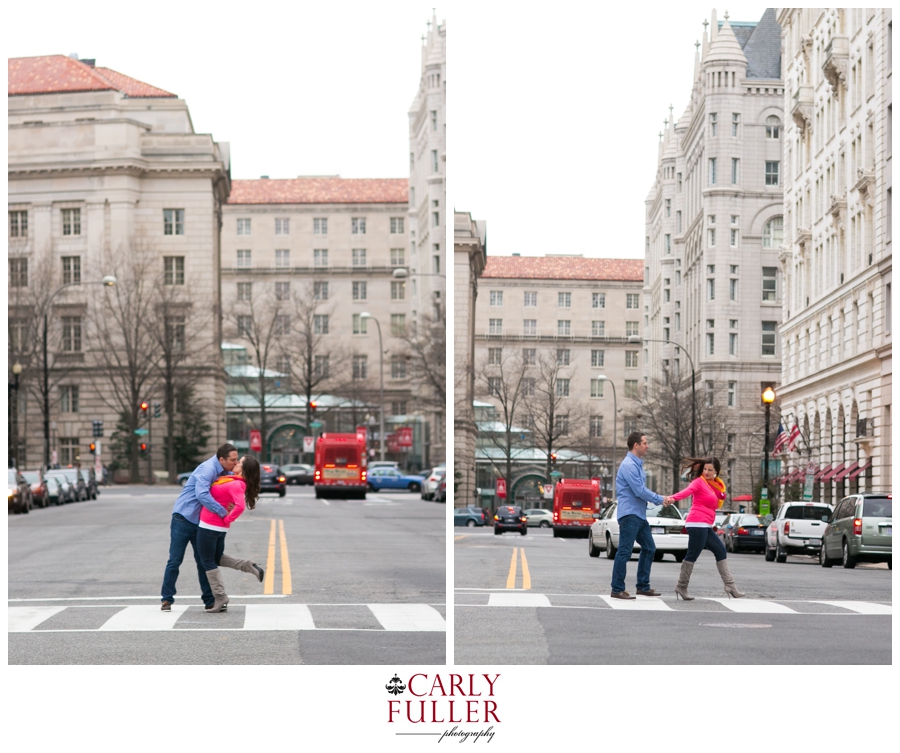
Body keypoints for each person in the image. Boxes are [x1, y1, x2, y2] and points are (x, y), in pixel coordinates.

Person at [160, 443, 238, 612]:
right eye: (233, 460)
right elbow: (201, 494)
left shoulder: (224, 471)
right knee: (175, 560)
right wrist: (222, 511)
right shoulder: (208, 469)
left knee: (204, 561)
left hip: (201, 523)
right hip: (183, 518)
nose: (235, 463)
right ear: (222, 459)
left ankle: (209, 601)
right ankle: (166, 599)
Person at [668, 457, 744, 600]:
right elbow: (686, 491)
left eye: (710, 470)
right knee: (692, 555)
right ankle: (681, 586)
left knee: (720, 550)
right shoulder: (699, 482)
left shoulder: (714, 486)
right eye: (705, 469)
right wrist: (672, 498)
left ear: (716, 472)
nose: (706, 472)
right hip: (697, 523)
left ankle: (730, 586)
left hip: (705, 524)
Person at [610, 432, 675, 600]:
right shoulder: (629, 465)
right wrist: (660, 499)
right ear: (636, 445)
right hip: (630, 514)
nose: (647, 446)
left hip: (638, 515)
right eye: (645, 443)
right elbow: (639, 491)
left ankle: (642, 586)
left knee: (649, 548)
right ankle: (617, 589)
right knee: (624, 552)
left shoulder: (637, 465)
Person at [198, 456, 262, 613]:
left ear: (244, 469)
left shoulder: (236, 484)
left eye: (239, 462)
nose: (236, 463)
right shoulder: (230, 480)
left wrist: (227, 518)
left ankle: (220, 597)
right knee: (216, 557)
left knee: (207, 561)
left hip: (210, 525)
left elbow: (240, 506)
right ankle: (247, 565)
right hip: (216, 526)